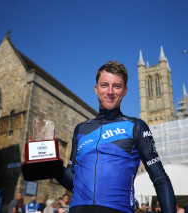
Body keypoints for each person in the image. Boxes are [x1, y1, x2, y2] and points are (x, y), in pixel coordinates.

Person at [56, 61, 176, 213]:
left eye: (117, 86)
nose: (110, 91)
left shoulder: (136, 126)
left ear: (125, 91)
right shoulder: (81, 129)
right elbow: (72, 182)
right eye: (104, 85)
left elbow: (160, 179)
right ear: (96, 89)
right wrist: (54, 167)